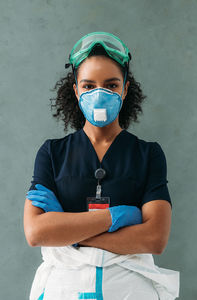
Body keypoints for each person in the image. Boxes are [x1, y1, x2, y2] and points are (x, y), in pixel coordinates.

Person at [23, 32, 180, 300]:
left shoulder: (148, 154)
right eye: (88, 86)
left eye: (110, 85)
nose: (99, 94)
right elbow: (37, 232)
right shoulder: (52, 153)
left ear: (125, 89)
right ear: (75, 90)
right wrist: (117, 216)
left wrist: (69, 235)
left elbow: (155, 239)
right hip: (63, 291)